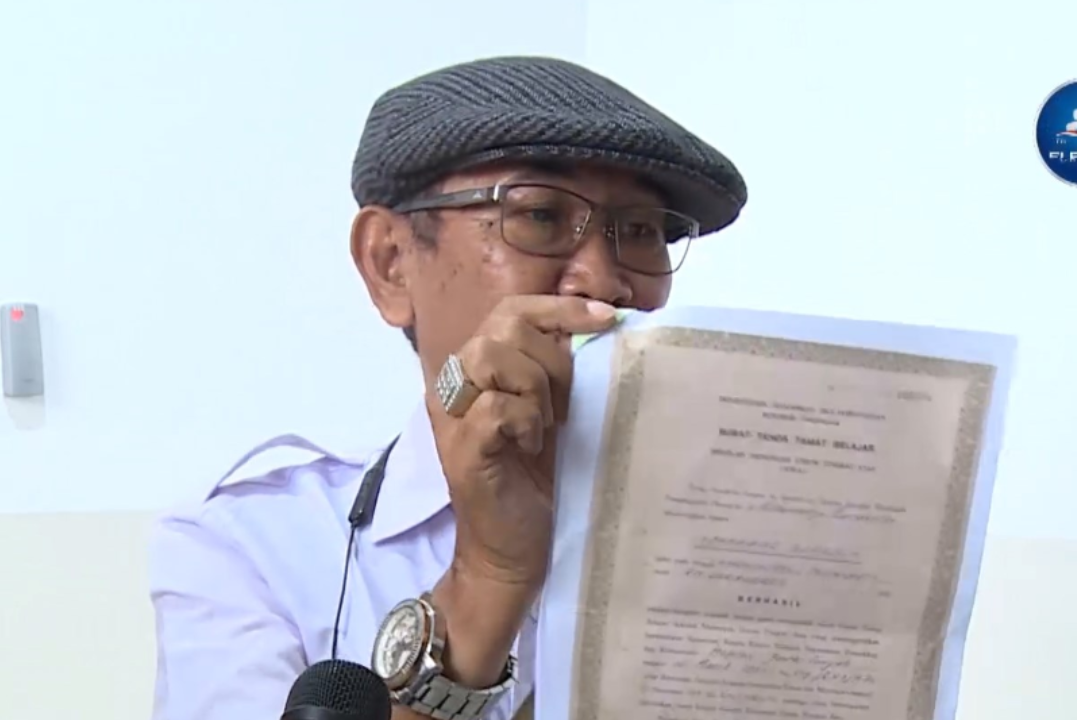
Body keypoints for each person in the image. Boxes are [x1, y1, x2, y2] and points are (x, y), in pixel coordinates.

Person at [148, 55, 747, 720]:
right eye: (541, 215)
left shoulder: (741, 538)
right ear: (391, 263)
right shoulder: (248, 549)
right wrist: (488, 576)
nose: (604, 281)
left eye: (640, 231)